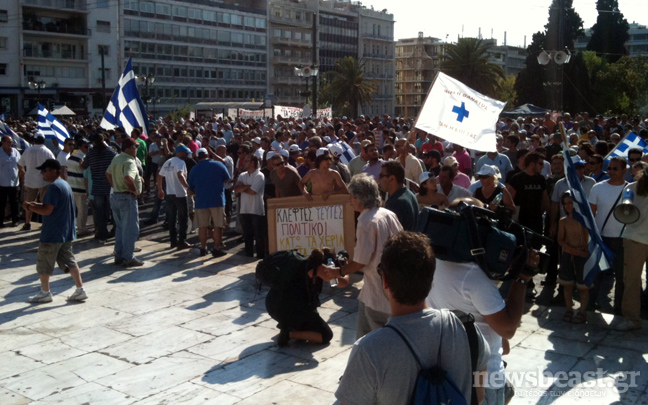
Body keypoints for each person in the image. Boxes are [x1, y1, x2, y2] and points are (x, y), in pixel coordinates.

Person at [336, 231, 490, 405]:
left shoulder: (368, 351)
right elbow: (479, 395)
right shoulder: (466, 328)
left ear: (385, 280)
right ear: (431, 278)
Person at [427, 198, 538, 404]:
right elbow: (507, 329)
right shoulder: (473, 276)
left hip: (447, 370)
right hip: (483, 379)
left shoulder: (432, 261)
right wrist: (523, 278)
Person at [321, 174, 402, 338]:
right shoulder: (387, 213)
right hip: (383, 286)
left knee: (377, 339)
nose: (350, 200)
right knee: (363, 334)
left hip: (379, 291)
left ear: (359, 198)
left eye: (351, 197)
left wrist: (339, 271)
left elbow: (360, 261)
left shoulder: (366, 221)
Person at [24, 159, 87, 303]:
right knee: (70, 261)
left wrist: (29, 208)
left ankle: (45, 292)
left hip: (53, 233)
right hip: (66, 232)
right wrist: (35, 204)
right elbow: (52, 205)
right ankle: (80, 289)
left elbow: (47, 210)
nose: (42, 174)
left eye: (44, 171)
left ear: (53, 171)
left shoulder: (53, 187)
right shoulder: (64, 184)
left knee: (44, 263)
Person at [589, 156, 628, 314]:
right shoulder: (597, 187)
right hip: (601, 238)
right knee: (596, 274)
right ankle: (591, 304)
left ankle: (618, 307)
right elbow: (591, 214)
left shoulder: (631, 189)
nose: (610, 171)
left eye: (615, 168)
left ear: (624, 170)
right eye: (609, 168)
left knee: (621, 277)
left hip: (623, 239)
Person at [616, 168, 648, 331]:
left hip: (635, 239)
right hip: (634, 239)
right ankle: (631, 318)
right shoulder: (631, 189)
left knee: (632, 280)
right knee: (631, 280)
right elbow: (625, 210)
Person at [106, 138, 144, 268]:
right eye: (135, 147)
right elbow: (128, 178)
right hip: (126, 197)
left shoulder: (117, 158)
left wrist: (116, 185)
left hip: (116, 196)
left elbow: (108, 173)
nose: (136, 149)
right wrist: (134, 190)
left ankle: (119, 255)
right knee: (130, 229)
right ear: (129, 148)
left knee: (120, 228)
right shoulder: (129, 161)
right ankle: (128, 257)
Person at [188, 148, 231, 257]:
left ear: (197, 157)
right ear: (208, 155)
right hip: (217, 200)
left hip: (201, 201)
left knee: (202, 226)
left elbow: (191, 187)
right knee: (218, 225)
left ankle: (203, 248)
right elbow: (227, 179)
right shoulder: (219, 165)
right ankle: (217, 248)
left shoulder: (194, 169)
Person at [556, 191, 590, 324]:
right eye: (566, 204)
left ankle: (582, 312)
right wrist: (574, 251)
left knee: (583, 286)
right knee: (567, 285)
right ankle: (569, 309)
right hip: (568, 256)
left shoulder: (585, 220)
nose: (568, 206)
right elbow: (560, 240)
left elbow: (589, 238)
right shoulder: (563, 221)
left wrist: (583, 252)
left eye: (571, 203)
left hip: (583, 257)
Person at [81, 133, 117, 242]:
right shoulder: (111, 153)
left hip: (97, 187)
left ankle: (102, 234)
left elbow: (84, 166)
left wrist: (81, 162)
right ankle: (115, 231)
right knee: (113, 211)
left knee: (100, 213)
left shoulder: (91, 154)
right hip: (110, 187)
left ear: (94, 142)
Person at [507, 152, 549, 237]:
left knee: (536, 247)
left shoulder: (541, 179)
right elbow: (509, 200)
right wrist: (514, 219)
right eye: (540, 163)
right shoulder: (517, 178)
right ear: (532, 164)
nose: (543, 166)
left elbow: (545, 199)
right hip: (520, 221)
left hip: (536, 221)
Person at [18, 132, 55, 231]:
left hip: (29, 181)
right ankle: (45, 223)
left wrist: (23, 172)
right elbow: (54, 165)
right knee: (45, 204)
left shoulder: (28, 151)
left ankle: (27, 223)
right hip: (43, 181)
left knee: (28, 203)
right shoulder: (47, 151)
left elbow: (20, 164)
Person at [158, 145, 191, 250]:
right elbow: (180, 175)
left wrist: (160, 189)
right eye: (185, 153)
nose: (187, 155)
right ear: (180, 153)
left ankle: (173, 241)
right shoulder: (181, 162)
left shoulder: (168, 162)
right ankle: (182, 241)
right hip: (180, 194)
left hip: (169, 193)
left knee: (172, 219)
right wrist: (187, 187)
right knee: (183, 219)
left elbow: (159, 176)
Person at [233, 154, 266, 258]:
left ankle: (260, 256)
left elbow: (253, 191)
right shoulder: (243, 175)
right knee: (247, 235)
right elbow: (236, 189)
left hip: (256, 210)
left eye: (247, 161)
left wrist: (243, 188)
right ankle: (248, 255)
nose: (244, 163)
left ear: (252, 163)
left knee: (258, 235)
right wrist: (246, 187)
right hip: (244, 209)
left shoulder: (259, 175)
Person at [379, 161, 418, 231]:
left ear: (392, 178)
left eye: (381, 176)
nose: (379, 179)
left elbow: (389, 234)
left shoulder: (396, 203)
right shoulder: (410, 194)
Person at [66, 139, 91, 236]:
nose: (88, 148)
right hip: (80, 187)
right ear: (80, 147)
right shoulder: (83, 158)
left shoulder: (71, 157)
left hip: (71, 187)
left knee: (73, 210)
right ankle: (82, 229)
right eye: (85, 146)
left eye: (88, 146)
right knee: (82, 210)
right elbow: (86, 173)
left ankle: (72, 228)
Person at [0, 135, 21, 227]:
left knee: (14, 202)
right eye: (8, 141)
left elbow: (20, 164)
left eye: (11, 141)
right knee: (1, 202)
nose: (10, 143)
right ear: (2, 142)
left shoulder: (15, 152)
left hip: (14, 182)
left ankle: (15, 219)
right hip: (2, 182)